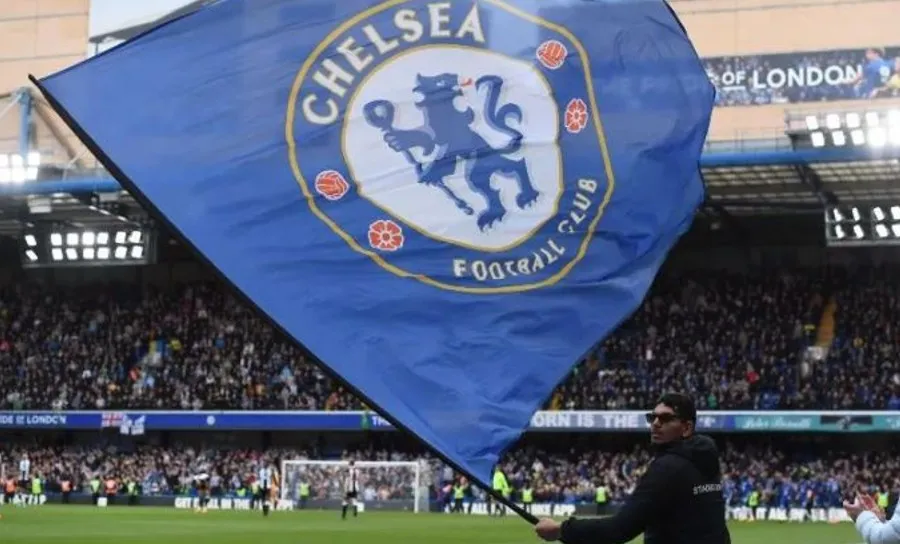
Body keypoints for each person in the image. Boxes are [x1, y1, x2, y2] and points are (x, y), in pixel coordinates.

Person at [534, 393, 731, 544]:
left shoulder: (669, 468)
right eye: (652, 417)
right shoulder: (706, 459)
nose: (655, 424)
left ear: (687, 428)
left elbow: (618, 529)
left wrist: (561, 530)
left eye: (665, 418)